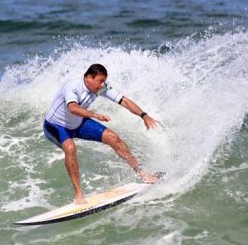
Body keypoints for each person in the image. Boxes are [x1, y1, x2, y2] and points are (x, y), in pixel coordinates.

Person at [43, 63, 160, 204]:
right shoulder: (72, 86)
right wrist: (94, 115)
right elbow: (72, 108)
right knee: (70, 148)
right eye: (100, 80)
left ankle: (142, 173)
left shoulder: (100, 87)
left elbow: (124, 101)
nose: (103, 84)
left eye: (104, 80)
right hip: (55, 125)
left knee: (113, 137)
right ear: (88, 78)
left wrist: (144, 115)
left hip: (78, 123)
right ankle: (79, 195)